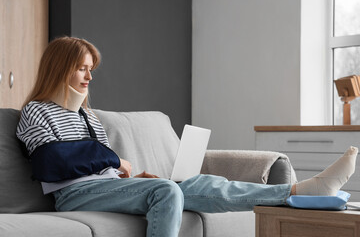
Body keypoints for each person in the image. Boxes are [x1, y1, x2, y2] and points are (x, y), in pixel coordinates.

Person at [16, 36, 358, 237]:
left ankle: (302, 191)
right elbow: (51, 162)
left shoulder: (88, 117)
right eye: (82, 68)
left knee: (199, 184)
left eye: (92, 68)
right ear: (60, 69)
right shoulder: (36, 111)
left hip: (105, 187)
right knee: (165, 190)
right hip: (75, 195)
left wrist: (133, 177)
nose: (90, 76)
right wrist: (114, 159)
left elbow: (98, 165)